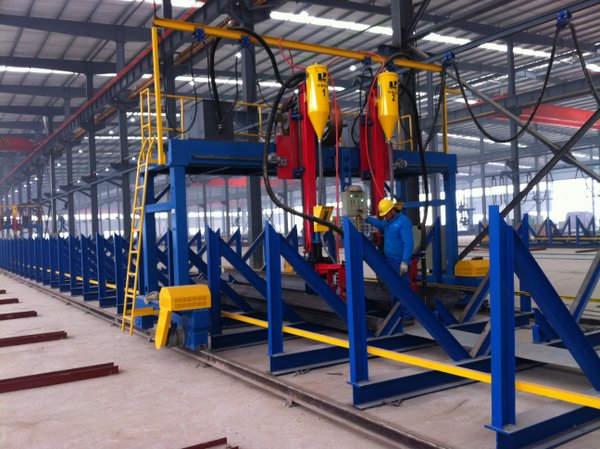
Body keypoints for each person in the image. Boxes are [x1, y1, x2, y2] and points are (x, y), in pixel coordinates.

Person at [365, 198, 414, 277]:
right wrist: (366, 218)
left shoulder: (404, 222)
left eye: (385, 215)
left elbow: (408, 243)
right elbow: (379, 223)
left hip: (399, 261)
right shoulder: (389, 221)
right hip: (389, 259)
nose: (384, 217)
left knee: (401, 283)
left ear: (392, 211)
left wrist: (405, 262)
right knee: (391, 283)